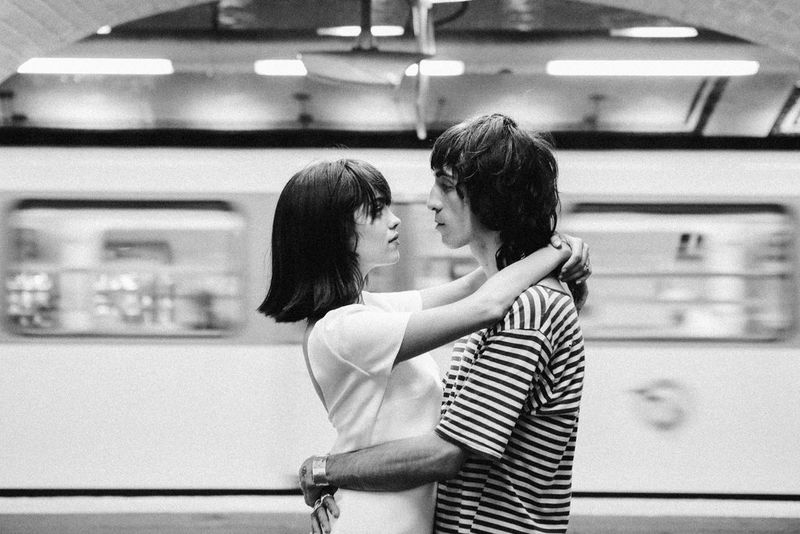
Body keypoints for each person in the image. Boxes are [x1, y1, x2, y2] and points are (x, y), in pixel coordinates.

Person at [299, 114, 587, 534]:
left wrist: (326, 469)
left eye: (447, 186)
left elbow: (446, 454)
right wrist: (557, 250)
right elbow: (483, 289)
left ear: (492, 197)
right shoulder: (502, 299)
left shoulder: (528, 308)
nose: (430, 201)